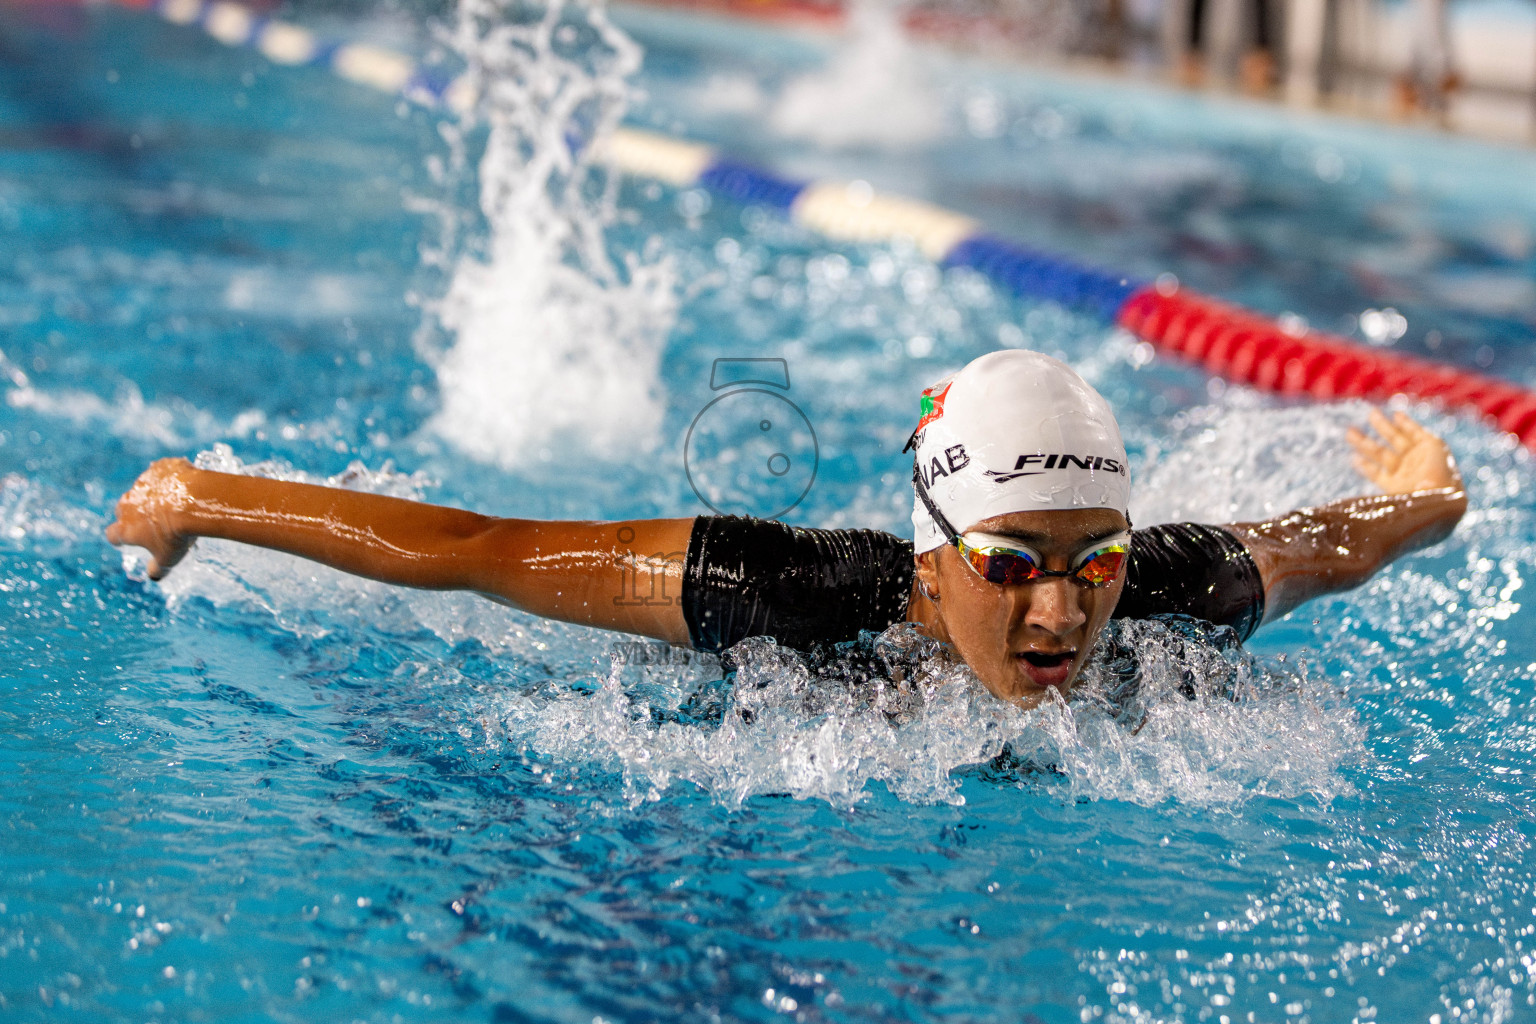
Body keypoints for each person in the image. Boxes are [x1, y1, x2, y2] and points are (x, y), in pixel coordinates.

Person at [106, 350, 1466, 707]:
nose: (1061, 614)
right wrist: (202, 498)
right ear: (935, 556)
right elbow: (483, 550)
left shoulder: (1172, 590)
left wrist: (1426, 496)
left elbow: (1336, 541)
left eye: (1092, 566)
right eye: (1010, 568)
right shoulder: (778, 588)